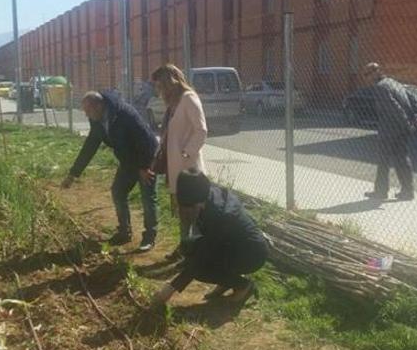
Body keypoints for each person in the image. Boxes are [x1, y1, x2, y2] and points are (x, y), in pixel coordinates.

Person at [150, 169, 268, 306]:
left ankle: (243, 286)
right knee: (191, 251)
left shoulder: (219, 216)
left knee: (201, 270)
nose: (184, 211)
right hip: (232, 245)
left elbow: (201, 258)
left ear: (198, 204)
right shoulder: (207, 193)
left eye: (188, 208)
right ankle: (228, 282)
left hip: (251, 255)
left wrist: (169, 289)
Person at [61, 91, 159, 251]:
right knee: (118, 191)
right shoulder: (97, 119)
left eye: (88, 111)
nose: (86, 115)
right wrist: (73, 173)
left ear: (99, 106)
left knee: (148, 198)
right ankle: (124, 232)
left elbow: (144, 139)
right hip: (128, 160)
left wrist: (144, 167)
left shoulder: (124, 114)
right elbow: (90, 146)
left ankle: (149, 237)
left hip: (146, 158)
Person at [150, 64, 208, 259]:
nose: (159, 91)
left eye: (160, 86)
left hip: (189, 168)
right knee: (183, 211)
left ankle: (193, 253)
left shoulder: (189, 99)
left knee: (192, 212)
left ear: (170, 83)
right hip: (176, 166)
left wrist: (186, 153)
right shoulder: (173, 104)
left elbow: (201, 130)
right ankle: (186, 249)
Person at [362, 62, 417, 201]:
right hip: (401, 128)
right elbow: (413, 99)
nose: (367, 78)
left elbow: (395, 109)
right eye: (366, 75)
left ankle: (381, 192)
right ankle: (408, 191)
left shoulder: (380, 87)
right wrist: (414, 119)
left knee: (383, 160)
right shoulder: (394, 82)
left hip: (390, 128)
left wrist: (407, 124)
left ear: (375, 73)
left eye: (368, 74)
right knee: (401, 158)